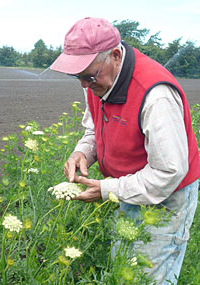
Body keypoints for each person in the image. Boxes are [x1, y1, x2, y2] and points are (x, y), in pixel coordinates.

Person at [50, 17, 200, 284]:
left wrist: (108, 190)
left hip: (168, 195)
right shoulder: (97, 81)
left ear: (116, 56)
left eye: (88, 76)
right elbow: (93, 129)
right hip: (126, 186)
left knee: (148, 275)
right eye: (78, 77)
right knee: (124, 265)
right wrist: (83, 152)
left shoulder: (156, 96)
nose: (84, 85)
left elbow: (169, 172)